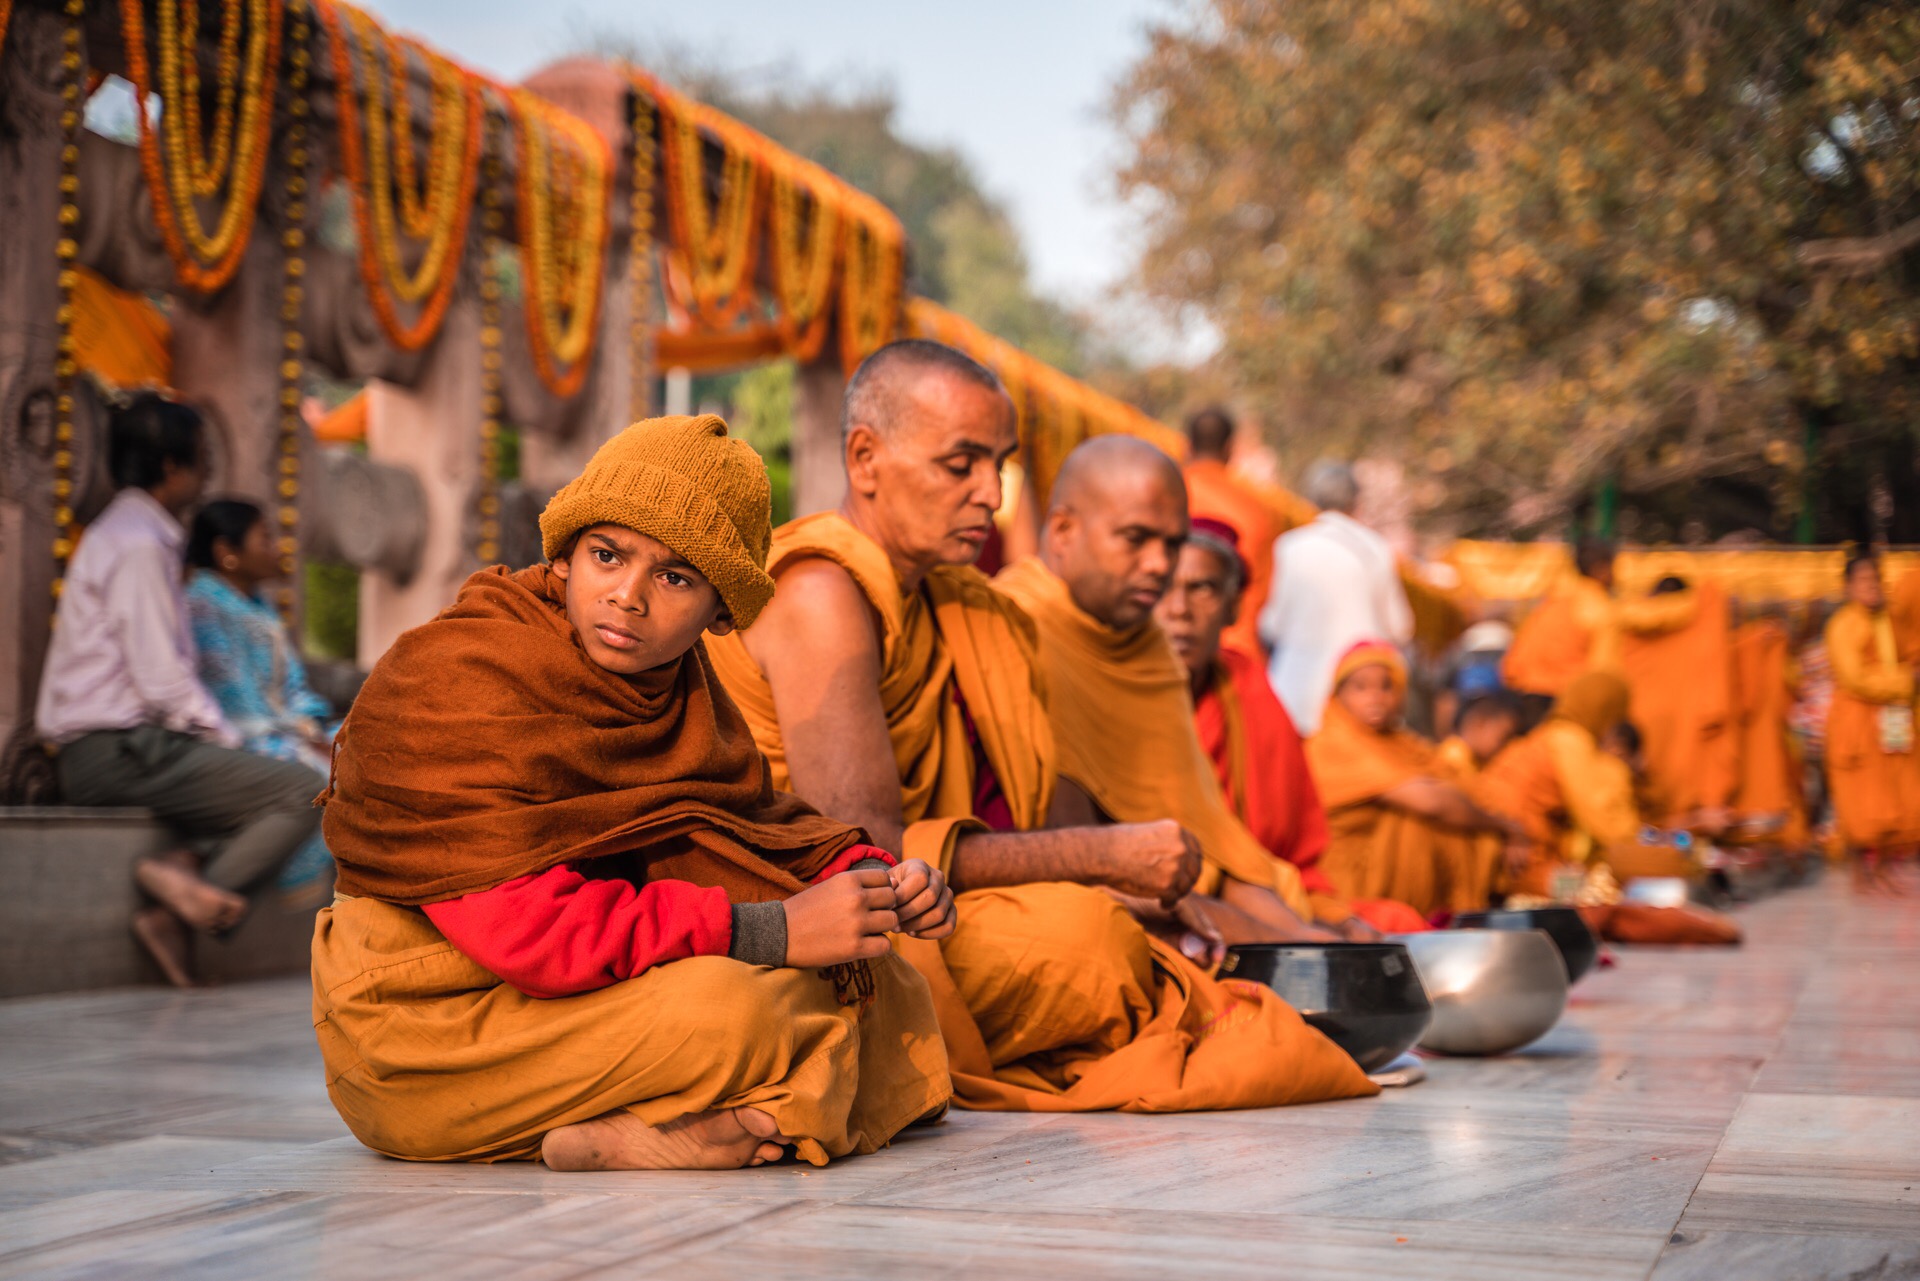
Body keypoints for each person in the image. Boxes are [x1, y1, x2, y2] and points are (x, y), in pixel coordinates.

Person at [709, 342, 1374, 1113]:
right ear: (865, 458)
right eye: (961, 464)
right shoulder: (822, 593)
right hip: (816, 925)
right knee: (1097, 945)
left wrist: (1127, 874)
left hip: (935, 904)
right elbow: (867, 851)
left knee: (1119, 931)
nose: (990, 493)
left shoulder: (969, 610)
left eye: (1001, 464)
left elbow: (1036, 803)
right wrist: (1101, 855)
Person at [312, 415, 954, 1169]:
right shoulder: (458, 672)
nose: (627, 596)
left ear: (720, 613)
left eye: (674, 576)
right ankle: (719, 1117)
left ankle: (657, 1128)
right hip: (425, 1022)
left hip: (572, 997)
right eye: (607, 555)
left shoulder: (677, 694)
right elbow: (529, 934)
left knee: (886, 983)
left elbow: (735, 824)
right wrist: (772, 930)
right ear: (565, 553)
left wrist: (870, 883)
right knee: (755, 1012)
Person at [35, 394, 324, 987]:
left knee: (276, 780)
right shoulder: (139, 546)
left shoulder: (136, 537)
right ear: (171, 467)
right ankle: (182, 905)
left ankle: (180, 878)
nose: (206, 472)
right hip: (119, 748)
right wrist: (228, 744)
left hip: (131, 745)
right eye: (199, 458)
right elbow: (160, 678)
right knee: (299, 792)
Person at [1158, 523, 1427, 933]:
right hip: (1175, 902)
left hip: (1263, 893)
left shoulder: (1252, 697)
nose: (1179, 609)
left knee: (1395, 924)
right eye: (1164, 588)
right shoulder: (1117, 694)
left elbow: (1291, 860)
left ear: (1234, 607)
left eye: (1203, 589)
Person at [1304, 641, 1524, 916]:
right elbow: (1430, 801)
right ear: (1338, 695)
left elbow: (1456, 784)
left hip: (1390, 885)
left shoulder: (1400, 743)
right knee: (1419, 819)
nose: (1375, 697)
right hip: (1348, 886)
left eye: (1386, 687)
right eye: (1361, 687)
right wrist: (1502, 826)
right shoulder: (1331, 745)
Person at [185, 499, 337, 893]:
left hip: (286, 729)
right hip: (238, 737)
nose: (278, 547)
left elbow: (293, 688)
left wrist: (315, 727)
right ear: (227, 553)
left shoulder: (260, 606)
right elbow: (233, 703)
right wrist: (306, 740)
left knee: (377, 752)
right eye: (265, 537)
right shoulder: (202, 603)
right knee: (322, 777)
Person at [1260, 460, 1412, 733]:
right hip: (1359, 702)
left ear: (1311, 501)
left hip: (1295, 696)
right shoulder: (1375, 549)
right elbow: (1401, 628)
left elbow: (1271, 625)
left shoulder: (1288, 547)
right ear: (1356, 502)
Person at [1501, 540, 1694, 724]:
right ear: (1602, 568)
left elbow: (1514, 662)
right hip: (1563, 704)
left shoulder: (1550, 604)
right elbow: (1603, 675)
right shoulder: (1599, 609)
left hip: (1525, 699)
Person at [1821, 553, 1920, 884]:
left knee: (1895, 793)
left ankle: (1886, 869)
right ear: (1848, 587)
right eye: (1864, 580)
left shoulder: (1886, 620)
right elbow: (1855, 677)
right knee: (1862, 800)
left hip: (1891, 720)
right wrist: (1907, 681)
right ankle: (1862, 871)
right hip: (1858, 722)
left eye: (1876, 579)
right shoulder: (1844, 624)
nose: (1872, 587)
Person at [1619, 576, 1737, 835]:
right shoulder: (1705, 613)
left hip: (1640, 726)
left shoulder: (1625, 621)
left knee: (1641, 800)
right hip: (1687, 731)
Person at [1181, 407, 1277, 658]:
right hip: (1238, 649)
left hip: (1170, 645)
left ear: (1187, 445)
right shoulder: (1257, 509)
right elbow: (1264, 594)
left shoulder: (1171, 493)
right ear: (1230, 448)